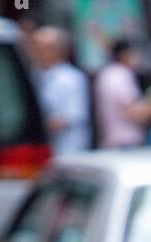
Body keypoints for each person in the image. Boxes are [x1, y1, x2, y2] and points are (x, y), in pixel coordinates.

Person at [31, 26, 92, 155]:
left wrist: (36, 126)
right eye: (36, 47)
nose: (39, 52)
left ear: (60, 50)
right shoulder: (34, 75)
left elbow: (73, 115)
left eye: (45, 47)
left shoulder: (72, 78)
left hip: (68, 149)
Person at [95, 37, 151, 148]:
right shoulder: (120, 75)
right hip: (126, 143)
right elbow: (134, 113)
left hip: (115, 142)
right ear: (124, 54)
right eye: (136, 54)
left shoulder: (108, 73)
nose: (139, 58)